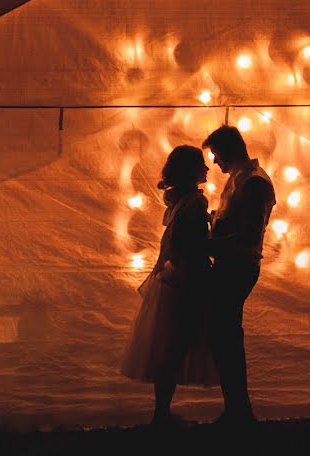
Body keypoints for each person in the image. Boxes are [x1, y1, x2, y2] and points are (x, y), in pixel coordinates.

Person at [120, 145, 217, 427]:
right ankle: (162, 415)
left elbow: (177, 241)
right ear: (191, 170)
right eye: (202, 164)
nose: (208, 169)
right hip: (187, 283)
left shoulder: (177, 201)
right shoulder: (195, 203)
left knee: (168, 349)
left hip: (170, 279)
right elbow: (194, 246)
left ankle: (161, 412)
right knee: (175, 349)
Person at [202, 124, 276, 427]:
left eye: (217, 156)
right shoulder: (239, 180)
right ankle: (235, 409)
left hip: (238, 267)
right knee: (224, 336)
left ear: (230, 151)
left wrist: (205, 243)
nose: (215, 164)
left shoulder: (254, 184)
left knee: (227, 337)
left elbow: (247, 236)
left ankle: (239, 411)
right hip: (229, 264)